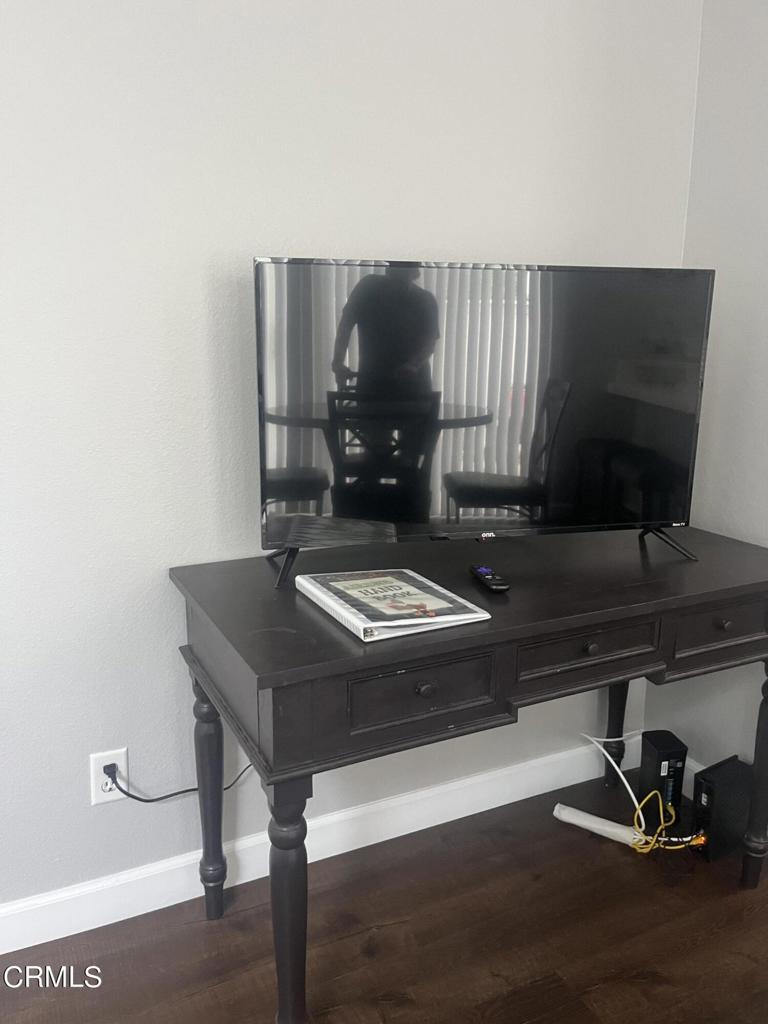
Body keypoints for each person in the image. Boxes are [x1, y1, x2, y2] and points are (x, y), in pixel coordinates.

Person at [331, 262, 439, 396]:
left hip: (411, 388)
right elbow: (345, 326)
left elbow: (429, 343)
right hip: (376, 385)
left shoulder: (426, 301)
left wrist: (413, 365)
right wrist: (338, 362)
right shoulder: (367, 288)